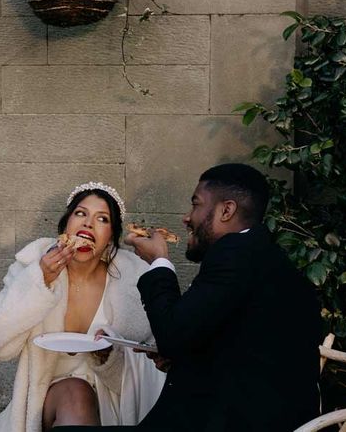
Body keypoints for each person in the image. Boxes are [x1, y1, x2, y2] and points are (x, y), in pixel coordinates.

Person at [58, 163, 323, 432]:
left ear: (226, 210)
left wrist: (159, 262)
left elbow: (174, 333)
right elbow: (247, 348)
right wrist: (182, 357)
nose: (187, 218)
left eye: (196, 205)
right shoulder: (262, 255)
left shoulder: (233, 254)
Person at [0, 182, 166, 431]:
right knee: (76, 393)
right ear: (66, 226)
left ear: (109, 239)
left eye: (102, 219)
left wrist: (108, 357)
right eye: (80, 214)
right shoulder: (34, 268)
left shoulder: (133, 281)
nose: (88, 223)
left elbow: (150, 370)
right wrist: (40, 280)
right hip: (47, 403)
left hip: (114, 406)